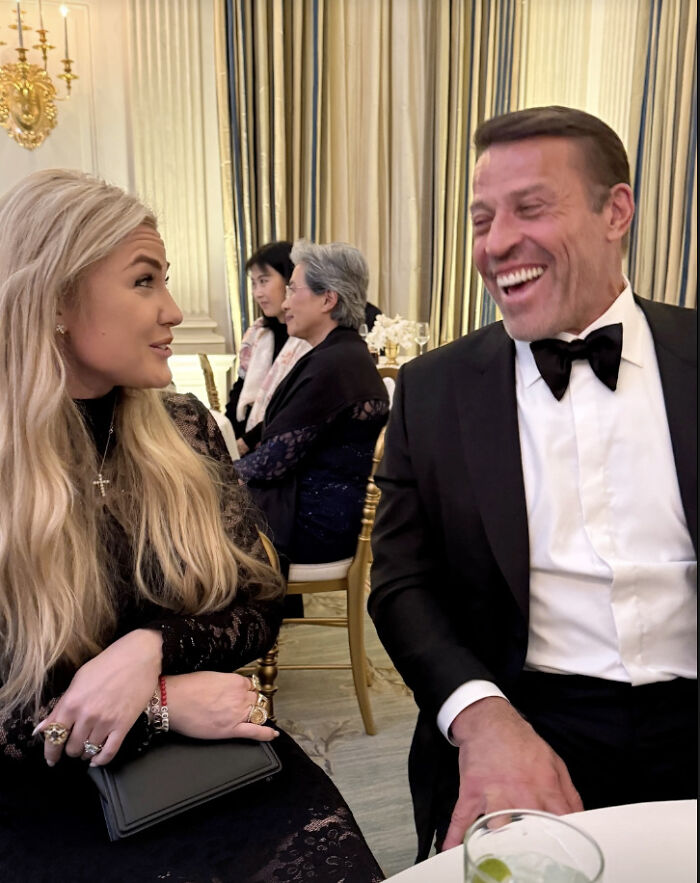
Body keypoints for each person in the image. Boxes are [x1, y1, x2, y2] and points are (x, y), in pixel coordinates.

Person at [0, 169, 384, 883]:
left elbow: (264, 601)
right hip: (43, 794)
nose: (174, 309)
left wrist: (153, 643)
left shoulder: (183, 430)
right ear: (53, 299)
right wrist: (161, 704)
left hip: (207, 763)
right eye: (145, 281)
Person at [368, 105, 697, 861]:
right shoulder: (434, 389)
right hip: (527, 716)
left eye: (530, 208)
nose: (496, 243)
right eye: (482, 218)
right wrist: (482, 717)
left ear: (615, 210)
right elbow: (400, 584)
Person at [236, 239, 389, 566]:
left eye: (293, 290)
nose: (286, 303)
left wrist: (212, 475)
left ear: (327, 299)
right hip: (316, 510)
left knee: (190, 525)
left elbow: (272, 463)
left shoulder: (335, 365)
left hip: (316, 526)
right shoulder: (339, 354)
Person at [225, 241, 311, 457]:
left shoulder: (307, 339)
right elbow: (240, 389)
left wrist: (245, 443)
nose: (257, 293)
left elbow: (294, 408)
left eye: (264, 281)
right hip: (245, 447)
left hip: (280, 449)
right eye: (253, 284)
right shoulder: (258, 332)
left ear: (290, 280)